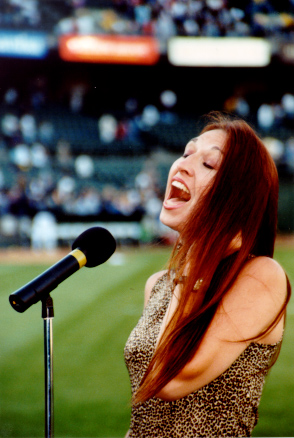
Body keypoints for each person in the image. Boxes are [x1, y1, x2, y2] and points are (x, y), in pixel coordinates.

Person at [124, 112, 291, 438]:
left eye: (209, 165)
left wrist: (201, 253)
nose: (183, 164)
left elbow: (169, 379)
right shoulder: (158, 286)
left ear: (236, 198)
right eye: (187, 153)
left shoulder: (260, 276)